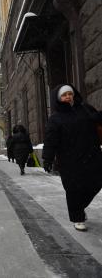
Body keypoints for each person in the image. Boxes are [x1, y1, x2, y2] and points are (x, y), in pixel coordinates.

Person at [43, 84, 102, 232]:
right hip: (69, 160)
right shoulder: (55, 118)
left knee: (96, 183)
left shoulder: (85, 108)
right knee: (74, 189)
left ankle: (79, 207)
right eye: (64, 95)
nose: (68, 96)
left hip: (92, 155)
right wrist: (47, 158)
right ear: (59, 98)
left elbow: (97, 120)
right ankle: (78, 218)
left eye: (70, 93)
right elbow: (51, 140)